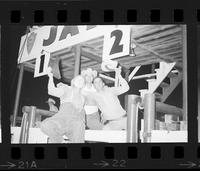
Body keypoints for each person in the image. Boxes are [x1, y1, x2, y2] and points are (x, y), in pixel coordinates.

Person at [40, 67, 86, 143]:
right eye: (78, 79)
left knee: (80, 124)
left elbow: (81, 114)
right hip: (62, 121)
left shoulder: (83, 97)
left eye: (82, 80)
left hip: (74, 124)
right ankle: (61, 142)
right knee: (45, 125)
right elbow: (51, 91)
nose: (80, 81)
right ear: (73, 81)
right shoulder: (66, 89)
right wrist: (50, 77)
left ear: (83, 84)